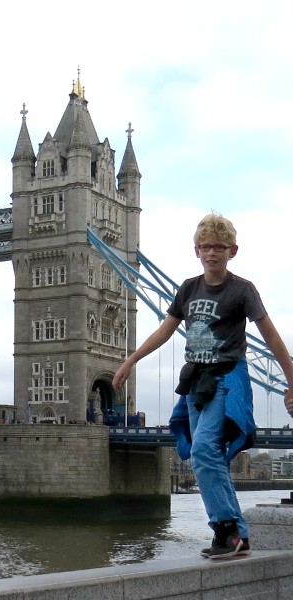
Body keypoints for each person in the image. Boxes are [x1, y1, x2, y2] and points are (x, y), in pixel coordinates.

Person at [113, 213, 293, 559]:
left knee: (203, 449)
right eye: (206, 247)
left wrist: (291, 380)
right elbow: (166, 330)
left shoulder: (243, 290)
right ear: (196, 251)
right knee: (205, 456)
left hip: (227, 377)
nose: (212, 253)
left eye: (219, 247)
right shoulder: (188, 288)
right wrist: (131, 359)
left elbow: (269, 336)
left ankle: (226, 528)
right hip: (196, 382)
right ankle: (235, 534)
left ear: (232, 251)